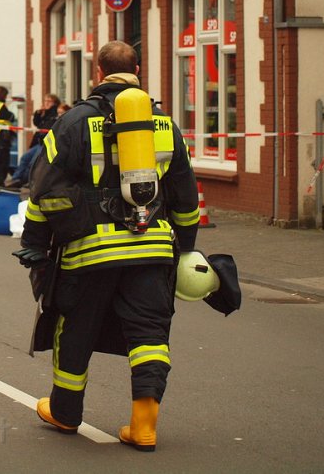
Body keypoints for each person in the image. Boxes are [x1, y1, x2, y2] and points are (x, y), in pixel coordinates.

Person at [18, 41, 200, 451]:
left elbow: (43, 188)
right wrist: (185, 249)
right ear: (139, 68)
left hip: (90, 252)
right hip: (152, 247)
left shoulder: (72, 122)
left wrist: (36, 243)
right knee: (149, 333)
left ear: (98, 73)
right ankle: (143, 426)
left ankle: (65, 413)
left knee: (75, 329)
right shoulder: (164, 124)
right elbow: (186, 197)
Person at [7, 103, 70, 189]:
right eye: (58, 113)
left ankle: (29, 182)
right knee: (24, 158)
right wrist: (38, 113)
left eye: (61, 113)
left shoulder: (64, 122)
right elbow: (38, 123)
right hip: (39, 143)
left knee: (33, 163)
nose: (59, 115)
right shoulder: (51, 118)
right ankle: (15, 179)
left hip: (47, 145)